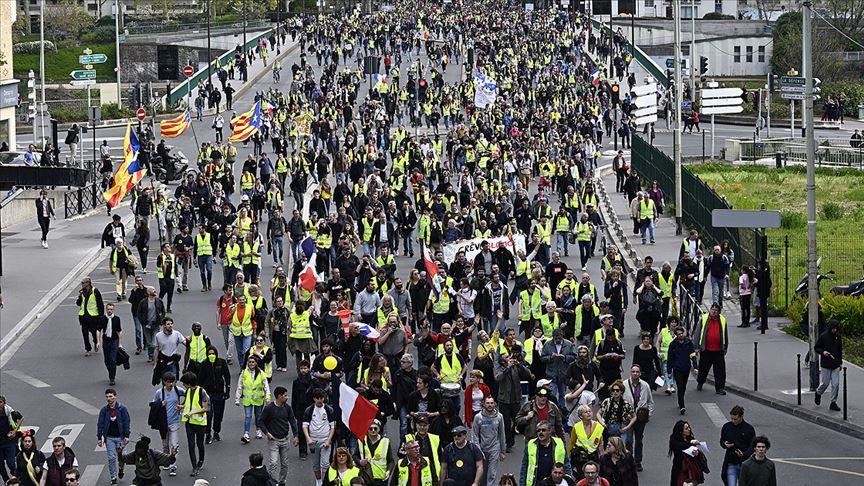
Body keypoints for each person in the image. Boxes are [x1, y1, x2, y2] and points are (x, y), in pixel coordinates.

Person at [260, 386, 300, 485]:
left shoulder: (287, 408)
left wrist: (296, 435)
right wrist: (267, 433)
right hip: (273, 440)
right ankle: (273, 483)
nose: (287, 397)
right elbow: (261, 421)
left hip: (285, 439)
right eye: (285, 395)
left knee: (284, 464)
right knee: (273, 463)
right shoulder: (269, 408)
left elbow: (292, 421)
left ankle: (282, 482)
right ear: (279, 396)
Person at [519, 420, 572, 486]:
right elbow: (524, 466)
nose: (540, 432)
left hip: (554, 483)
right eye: (538, 430)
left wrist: (569, 480)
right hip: (536, 483)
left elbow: (566, 463)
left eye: (543, 430)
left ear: (549, 431)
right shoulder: (531, 444)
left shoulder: (559, 443)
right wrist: (522, 483)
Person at [621, 365, 652, 472]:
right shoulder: (624, 384)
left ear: (640, 373)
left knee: (639, 440)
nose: (635, 373)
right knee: (628, 440)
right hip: (628, 418)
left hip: (640, 418)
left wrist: (648, 414)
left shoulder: (645, 385)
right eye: (633, 371)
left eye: (637, 372)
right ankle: (629, 460)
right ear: (630, 372)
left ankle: (638, 461)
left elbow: (650, 402)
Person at [96, 388, 130, 485]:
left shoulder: (122, 409)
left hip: (121, 437)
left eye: (110, 396)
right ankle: (113, 477)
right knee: (111, 458)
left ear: (115, 396)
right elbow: (100, 424)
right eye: (107, 397)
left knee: (122, 457)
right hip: (110, 438)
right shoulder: (104, 410)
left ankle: (121, 468)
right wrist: (99, 437)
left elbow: (126, 422)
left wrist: (126, 435)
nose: (108, 399)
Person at [153, 372, 184, 477]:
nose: (170, 384)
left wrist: (183, 405)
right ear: (164, 382)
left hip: (174, 422)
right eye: (168, 382)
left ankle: (173, 466)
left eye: (172, 382)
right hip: (163, 423)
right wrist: (160, 404)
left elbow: (189, 394)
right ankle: (166, 461)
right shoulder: (159, 392)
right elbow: (153, 405)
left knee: (174, 444)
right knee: (165, 445)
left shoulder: (177, 390)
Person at [198, 346, 231, 444]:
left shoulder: (221, 363)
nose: (211, 355)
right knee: (208, 414)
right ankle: (207, 433)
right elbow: (200, 380)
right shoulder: (204, 364)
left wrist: (227, 391)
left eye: (213, 353)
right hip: (208, 394)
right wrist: (200, 395)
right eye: (209, 354)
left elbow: (227, 376)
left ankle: (216, 431)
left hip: (220, 393)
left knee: (219, 414)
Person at [303, 388, 336, 486]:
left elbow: (333, 427)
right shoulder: (309, 410)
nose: (320, 400)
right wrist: (308, 438)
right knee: (316, 464)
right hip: (313, 441)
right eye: (317, 398)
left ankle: (324, 482)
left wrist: (328, 440)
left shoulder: (329, 410)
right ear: (314, 399)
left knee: (325, 463)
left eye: (321, 398)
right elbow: (305, 425)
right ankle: (318, 480)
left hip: (325, 440)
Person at [236, 356, 272, 443]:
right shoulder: (244, 373)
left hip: (258, 399)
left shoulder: (261, 373)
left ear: (256, 363)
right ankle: (246, 433)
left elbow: (266, 386)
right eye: (249, 362)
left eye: (253, 362)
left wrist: (267, 396)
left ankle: (258, 430)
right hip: (247, 400)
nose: (251, 364)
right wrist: (237, 398)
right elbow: (240, 386)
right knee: (248, 416)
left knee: (258, 416)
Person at [694, 303, 728, 395]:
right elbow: (697, 332)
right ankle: (700, 382)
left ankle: (720, 388)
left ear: (718, 312)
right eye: (712, 309)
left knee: (720, 370)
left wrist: (725, 347)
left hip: (718, 349)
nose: (713, 311)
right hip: (706, 349)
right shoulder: (704, 318)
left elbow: (725, 334)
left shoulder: (722, 320)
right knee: (703, 368)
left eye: (715, 310)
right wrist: (696, 347)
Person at [180, 371, 209, 477]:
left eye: (184, 383)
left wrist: (192, 412)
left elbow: (205, 408)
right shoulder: (187, 391)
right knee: (191, 445)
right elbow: (187, 404)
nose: (183, 385)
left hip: (200, 423)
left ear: (189, 383)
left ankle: (201, 460)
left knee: (199, 444)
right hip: (189, 423)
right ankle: (194, 467)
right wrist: (181, 407)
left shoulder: (202, 391)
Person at [472, 396, 506, 486]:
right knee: (482, 473)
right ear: (484, 404)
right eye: (487, 403)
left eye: (491, 403)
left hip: (494, 448)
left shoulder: (499, 417)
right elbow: (474, 435)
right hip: (482, 448)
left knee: (492, 473)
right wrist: (477, 451)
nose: (490, 405)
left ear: (494, 404)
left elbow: (502, 434)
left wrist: (503, 451)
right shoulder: (478, 417)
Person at [720, 405, 756, 486]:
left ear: (741, 417)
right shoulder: (727, 427)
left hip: (744, 463)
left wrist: (744, 454)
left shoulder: (749, 429)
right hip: (731, 462)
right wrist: (724, 444)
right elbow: (722, 440)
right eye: (731, 418)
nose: (733, 421)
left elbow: (753, 446)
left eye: (735, 419)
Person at [667, 326, 697, 415]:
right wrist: (669, 371)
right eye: (678, 334)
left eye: (682, 333)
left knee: (683, 386)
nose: (681, 335)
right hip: (677, 369)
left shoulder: (688, 343)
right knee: (680, 386)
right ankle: (682, 405)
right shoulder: (673, 344)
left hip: (686, 367)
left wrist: (695, 367)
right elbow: (670, 358)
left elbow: (692, 355)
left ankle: (681, 399)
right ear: (676, 335)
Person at [814, 319, 843, 411]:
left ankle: (833, 402)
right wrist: (823, 352)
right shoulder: (824, 336)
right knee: (825, 383)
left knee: (835, 384)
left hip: (835, 364)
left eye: (836, 329)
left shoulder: (838, 337)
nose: (834, 330)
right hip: (826, 364)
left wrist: (840, 362)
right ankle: (818, 393)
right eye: (833, 328)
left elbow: (839, 350)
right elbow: (817, 347)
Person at [355, 419, 392, 486]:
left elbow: (391, 460)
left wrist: (388, 471)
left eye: (375, 428)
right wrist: (359, 461)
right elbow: (355, 456)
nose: (373, 430)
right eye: (370, 428)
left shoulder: (385, 441)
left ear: (379, 429)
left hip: (380, 477)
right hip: (366, 476)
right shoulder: (361, 441)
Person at [669, 420, 706, 486]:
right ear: (681, 431)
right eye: (686, 428)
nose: (689, 429)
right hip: (679, 469)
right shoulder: (674, 441)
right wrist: (691, 443)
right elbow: (679, 446)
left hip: (690, 468)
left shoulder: (690, 438)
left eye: (688, 427)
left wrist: (696, 453)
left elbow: (694, 453)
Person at [76, 277, 105, 357]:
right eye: (81, 283)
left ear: (88, 283)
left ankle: (96, 342)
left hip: (93, 316)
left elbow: (100, 304)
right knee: (84, 333)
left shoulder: (95, 291)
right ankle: (88, 349)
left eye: (83, 283)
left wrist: (101, 317)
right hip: (83, 316)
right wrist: (79, 298)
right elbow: (79, 303)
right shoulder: (82, 292)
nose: (82, 284)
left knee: (93, 332)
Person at [102, 303, 123, 385]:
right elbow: (98, 330)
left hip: (114, 340)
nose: (109, 311)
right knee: (107, 360)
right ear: (106, 309)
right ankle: (110, 371)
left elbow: (119, 331)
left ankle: (112, 378)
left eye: (111, 309)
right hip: (106, 341)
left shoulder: (117, 319)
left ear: (113, 310)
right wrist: (98, 342)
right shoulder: (103, 318)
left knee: (113, 360)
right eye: (108, 309)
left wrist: (120, 343)